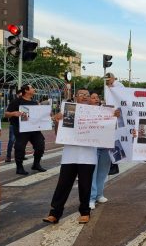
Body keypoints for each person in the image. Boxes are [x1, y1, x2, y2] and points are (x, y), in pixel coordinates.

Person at [43, 88, 99, 224]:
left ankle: (85, 212)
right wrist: (57, 122)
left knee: (85, 185)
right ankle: (54, 213)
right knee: (63, 185)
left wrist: (114, 116)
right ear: (75, 97)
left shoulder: (96, 114)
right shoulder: (69, 111)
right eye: (81, 94)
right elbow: (59, 135)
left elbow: (106, 129)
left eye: (87, 95)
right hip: (70, 156)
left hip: (88, 156)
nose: (84, 97)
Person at [5, 84, 46, 175]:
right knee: (20, 147)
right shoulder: (17, 101)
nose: (34, 89)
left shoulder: (35, 102)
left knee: (40, 145)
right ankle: (19, 167)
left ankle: (36, 164)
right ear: (26, 91)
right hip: (21, 128)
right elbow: (6, 114)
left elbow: (38, 116)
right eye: (32, 88)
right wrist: (14, 113)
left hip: (34, 128)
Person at [88, 92, 112, 210]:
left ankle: (99, 194)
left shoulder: (107, 111)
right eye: (93, 98)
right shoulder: (85, 112)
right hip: (92, 146)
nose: (96, 99)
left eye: (97, 97)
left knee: (103, 172)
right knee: (92, 173)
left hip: (105, 146)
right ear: (88, 100)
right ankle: (91, 198)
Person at [105, 73, 124, 175]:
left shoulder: (119, 85)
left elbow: (122, 98)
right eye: (106, 79)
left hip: (117, 116)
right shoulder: (106, 87)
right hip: (108, 115)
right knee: (110, 141)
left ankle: (115, 164)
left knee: (115, 140)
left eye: (108, 79)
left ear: (113, 78)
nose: (107, 81)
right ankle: (113, 165)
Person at [5, 89, 22, 162]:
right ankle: (8, 156)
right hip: (14, 124)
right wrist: (14, 113)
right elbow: (6, 114)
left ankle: (21, 155)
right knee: (11, 140)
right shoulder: (13, 102)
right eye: (21, 94)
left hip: (22, 125)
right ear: (18, 94)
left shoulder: (24, 102)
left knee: (21, 141)